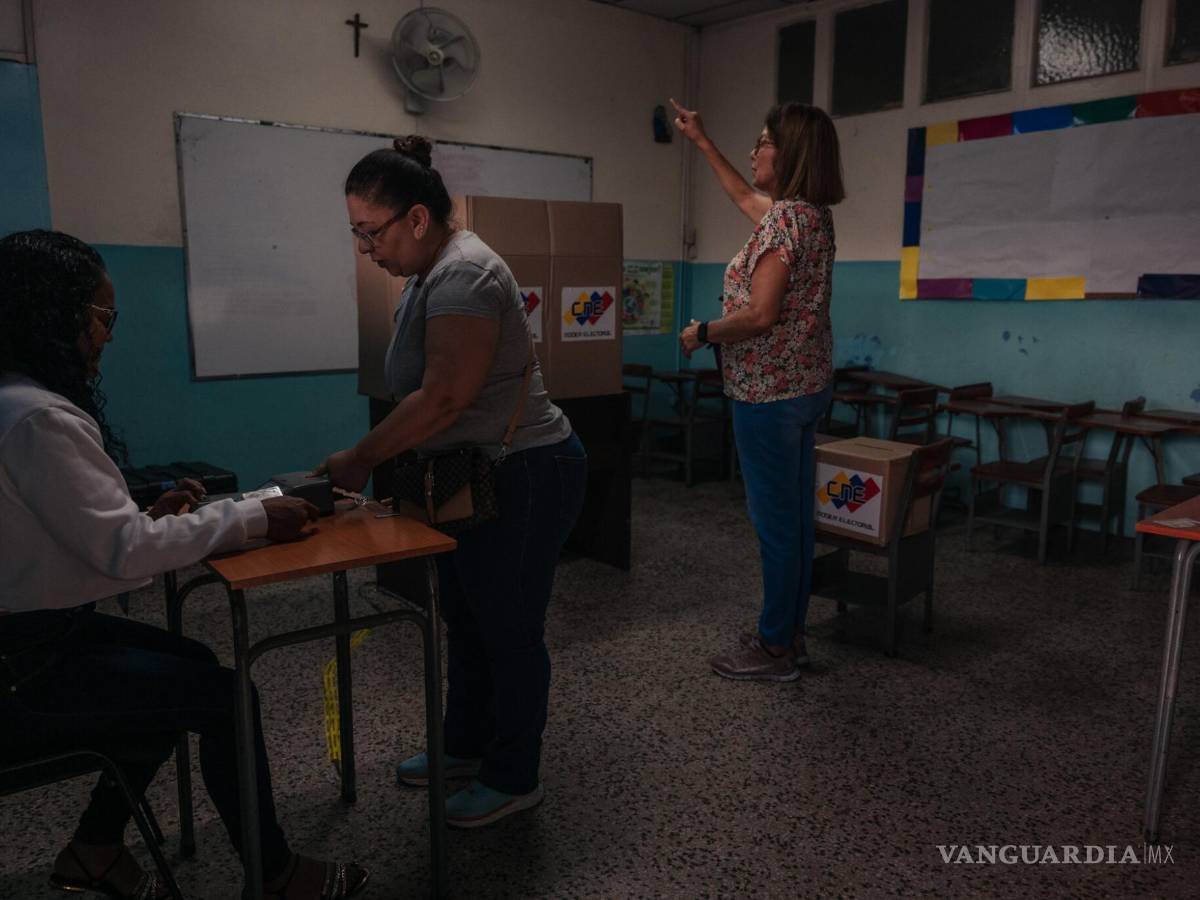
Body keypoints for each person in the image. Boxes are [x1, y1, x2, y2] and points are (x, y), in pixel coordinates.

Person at [0, 230, 368, 900]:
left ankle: (96, 848)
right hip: (27, 665)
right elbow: (122, 553)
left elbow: (62, 537)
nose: (107, 336)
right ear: (53, 315)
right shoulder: (35, 418)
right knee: (226, 696)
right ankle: (276, 873)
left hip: (31, 637)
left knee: (191, 667)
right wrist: (254, 516)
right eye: (102, 317)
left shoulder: (13, 400)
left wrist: (149, 518)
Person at [316, 136, 587, 828]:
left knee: (510, 628)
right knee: (467, 619)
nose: (364, 247)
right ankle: (465, 744)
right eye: (355, 231)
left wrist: (360, 458)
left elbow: (442, 399)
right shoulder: (428, 275)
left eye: (369, 231)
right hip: (480, 475)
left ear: (415, 219)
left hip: (523, 473)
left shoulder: (466, 275)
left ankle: (513, 775)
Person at [670, 98, 844, 682]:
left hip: (767, 395)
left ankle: (773, 648)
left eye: (765, 142)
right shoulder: (810, 216)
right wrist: (701, 140)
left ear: (790, 153)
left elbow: (761, 314)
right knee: (794, 522)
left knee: (775, 526)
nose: (754, 151)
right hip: (805, 388)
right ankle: (789, 636)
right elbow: (747, 198)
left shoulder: (785, 222)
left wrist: (703, 332)